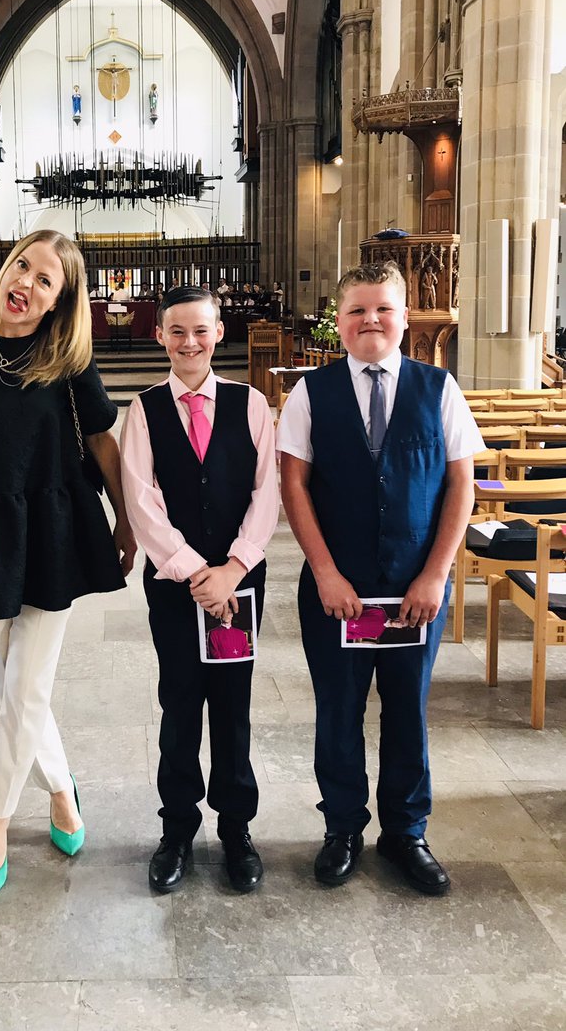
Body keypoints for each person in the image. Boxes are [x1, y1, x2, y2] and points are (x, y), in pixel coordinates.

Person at [0, 229, 136, 905]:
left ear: (58, 301)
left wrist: (126, 519)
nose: (29, 284)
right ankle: (64, 795)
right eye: (23, 267)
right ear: (4, 271)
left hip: (52, 527)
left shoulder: (67, 355)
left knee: (27, 686)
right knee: (16, 687)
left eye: (47, 280)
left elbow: (102, 439)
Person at [278, 261, 482, 895]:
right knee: (338, 712)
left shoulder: (438, 388)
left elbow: (460, 484)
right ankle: (342, 827)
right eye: (357, 311)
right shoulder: (311, 393)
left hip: (414, 590)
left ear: (404, 317)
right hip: (338, 593)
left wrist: (436, 576)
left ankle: (405, 832)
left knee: (407, 712)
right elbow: (294, 486)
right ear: (337, 323)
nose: (371, 320)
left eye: (383, 309)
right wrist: (326, 572)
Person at [121, 286, 279, 894]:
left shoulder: (251, 403)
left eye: (202, 330)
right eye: (178, 331)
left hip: (240, 588)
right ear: (160, 336)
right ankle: (178, 830)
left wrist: (234, 568)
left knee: (233, 705)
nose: (190, 342)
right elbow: (141, 498)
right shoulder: (145, 409)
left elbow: (268, 492)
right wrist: (194, 571)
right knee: (181, 703)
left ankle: (236, 829)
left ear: (220, 334)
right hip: (174, 587)